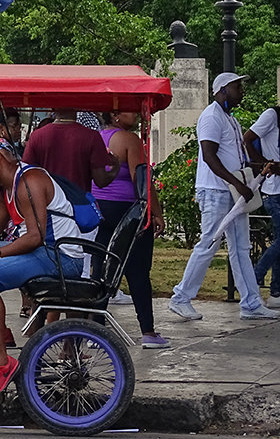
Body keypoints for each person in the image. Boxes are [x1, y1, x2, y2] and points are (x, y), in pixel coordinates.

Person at [0, 142, 87, 400]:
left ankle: (0, 362)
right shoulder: (2, 191)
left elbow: (35, 237)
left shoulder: (29, 180)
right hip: (43, 250)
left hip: (60, 256)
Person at [170, 73, 279, 320]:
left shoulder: (229, 118)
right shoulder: (210, 117)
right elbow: (209, 156)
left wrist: (258, 169)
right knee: (209, 242)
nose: (241, 90)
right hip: (216, 190)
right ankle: (181, 297)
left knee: (241, 247)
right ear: (222, 90)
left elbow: (236, 157)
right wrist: (237, 184)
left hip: (233, 190)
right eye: (237, 86)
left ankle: (251, 303)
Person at [93, 112, 169, 347]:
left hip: (99, 210)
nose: (136, 114)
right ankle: (148, 331)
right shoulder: (129, 140)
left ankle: (95, 331)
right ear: (115, 115)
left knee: (100, 270)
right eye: (129, 110)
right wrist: (156, 212)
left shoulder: (96, 138)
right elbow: (142, 179)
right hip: (128, 211)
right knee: (137, 271)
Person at [22, 109, 119, 194]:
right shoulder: (92, 136)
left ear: (52, 108)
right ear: (77, 107)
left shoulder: (37, 136)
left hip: (48, 205)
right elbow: (101, 181)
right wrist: (115, 168)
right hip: (79, 205)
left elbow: (26, 174)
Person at [245, 105, 280, 309]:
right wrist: (265, 165)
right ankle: (255, 277)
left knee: (278, 242)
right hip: (273, 190)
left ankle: (275, 291)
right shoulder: (272, 115)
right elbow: (247, 138)